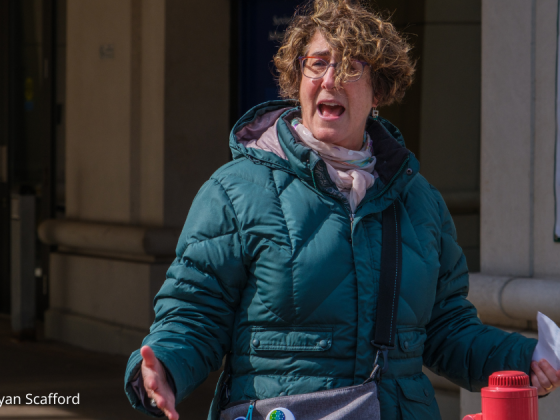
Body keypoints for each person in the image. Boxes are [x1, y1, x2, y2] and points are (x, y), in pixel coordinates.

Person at [124, 1, 560, 419]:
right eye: (318, 63)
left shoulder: (420, 200)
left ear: (379, 92)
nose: (330, 78)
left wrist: (527, 358)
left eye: (351, 67)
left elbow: (447, 329)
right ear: (298, 78)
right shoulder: (234, 191)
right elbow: (195, 312)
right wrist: (161, 366)